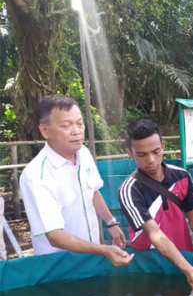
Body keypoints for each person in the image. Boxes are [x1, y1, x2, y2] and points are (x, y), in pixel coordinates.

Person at [20, 95, 133, 267]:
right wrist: (103, 250)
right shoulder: (37, 175)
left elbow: (92, 191)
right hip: (60, 268)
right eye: (66, 125)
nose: (76, 131)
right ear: (45, 130)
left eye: (80, 124)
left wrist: (111, 222)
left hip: (90, 257)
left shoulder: (84, 154)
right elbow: (55, 236)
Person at [119, 119, 193, 291]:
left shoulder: (181, 176)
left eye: (156, 152)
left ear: (163, 146)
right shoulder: (129, 190)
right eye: (141, 155)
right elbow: (156, 235)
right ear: (130, 153)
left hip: (185, 259)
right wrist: (189, 270)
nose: (151, 160)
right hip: (152, 268)